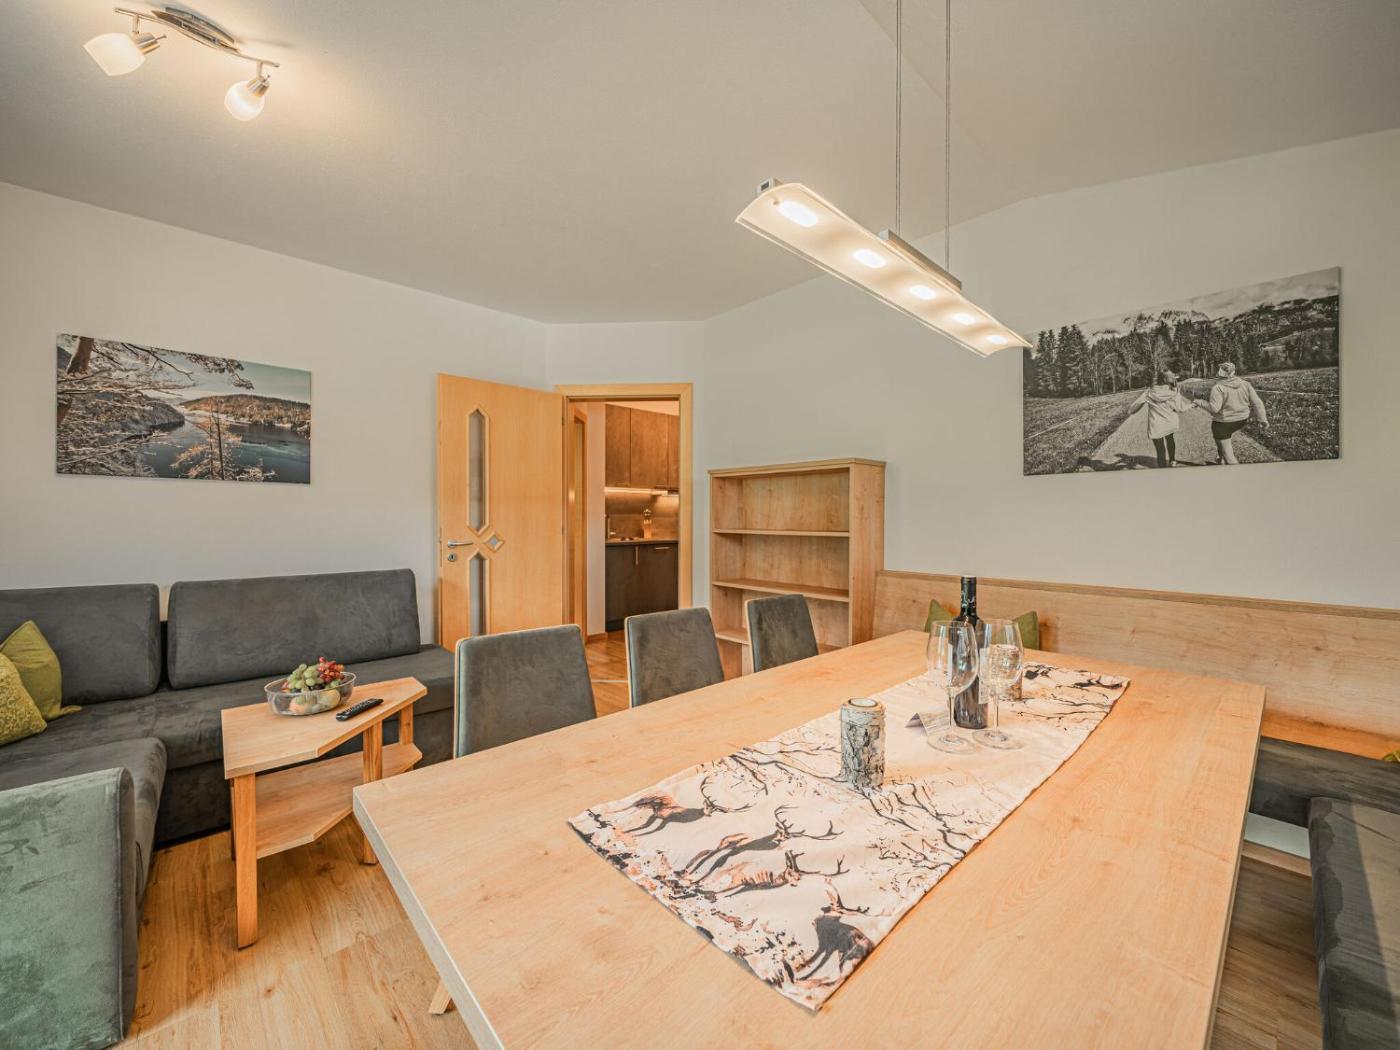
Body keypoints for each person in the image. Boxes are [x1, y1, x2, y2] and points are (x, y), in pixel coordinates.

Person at [1195, 362, 1269, 465]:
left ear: (1219, 373)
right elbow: (1257, 403)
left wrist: (1199, 402)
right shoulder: (1245, 384)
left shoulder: (1218, 387)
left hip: (1224, 423)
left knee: (1228, 454)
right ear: (1233, 372)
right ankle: (1220, 460)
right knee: (1222, 440)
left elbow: (1214, 409)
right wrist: (1262, 419)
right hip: (1242, 420)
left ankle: (1234, 469)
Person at [1129, 369, 1193, 467]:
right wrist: (1191, 405)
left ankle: (1162, 468)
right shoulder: (1174, 392)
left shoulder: (1149, 392)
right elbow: (1181, 408)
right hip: (1170, 422)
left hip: (1156, 426)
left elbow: (1132, 410)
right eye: (1172, 376)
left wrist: (1138, 405)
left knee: (1160, 449)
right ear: (1166, 380)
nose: (1174, 377)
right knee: (1170, 439)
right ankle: (1172, 460)